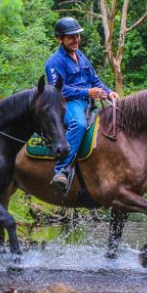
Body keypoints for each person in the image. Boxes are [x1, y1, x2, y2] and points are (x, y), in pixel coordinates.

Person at [44, 17, 119, 191]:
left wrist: (109, 92)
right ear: (60, 38)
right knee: (79, 123)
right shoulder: (54, 62)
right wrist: (87, 92)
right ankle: (61, 170)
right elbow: (58, 90)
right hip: (68, 104)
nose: (76, 40)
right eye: (71, 37)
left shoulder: (81, 56)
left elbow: (94, 80)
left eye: (77, 36)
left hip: (88, 102)